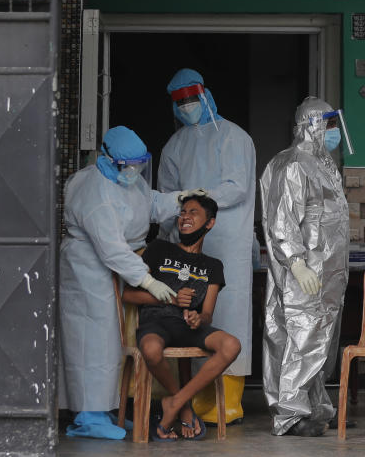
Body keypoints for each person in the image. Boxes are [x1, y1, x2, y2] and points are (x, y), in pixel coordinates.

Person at [59, 126, 195, 440]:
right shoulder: (94, 190)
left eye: (139, 164)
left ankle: (107, 408)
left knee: (112, 343)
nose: (134, 171)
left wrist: (181, 199)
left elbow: (149, 204)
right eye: (128, 166)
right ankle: (87, 416)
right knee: (91, 340)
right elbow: (112, 248)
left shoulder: (125, 179)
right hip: (87, 271)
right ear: (107, 158)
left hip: (112, 270)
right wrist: (147, 279)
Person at [158, 68, 256, 424]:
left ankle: (230, 400)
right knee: (194, 318)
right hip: (189, 250)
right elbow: (167, 198)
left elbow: (237, 188)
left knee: (228, 313)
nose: (186, 107)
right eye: (178, 102)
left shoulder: (234, 138)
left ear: (205, 96)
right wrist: (169, 238)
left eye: (190, 99)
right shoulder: (175, 145)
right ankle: (199, 398)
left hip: (228, 242)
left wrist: (196, 197)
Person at [259, 96, 352, 437]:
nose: (333, 132)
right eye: (327, 124)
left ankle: (314, 407)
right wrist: (296, 262)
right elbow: (281, 218)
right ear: (311, 125)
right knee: (298, 337)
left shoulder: (323, 163)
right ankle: (291, 413)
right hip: (305, 269)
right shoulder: (293, 163)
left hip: (326, 271)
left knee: (317, 340)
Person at [123, 193, 242, 441]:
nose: (185, 217)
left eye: (193, 212)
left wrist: (200, 319)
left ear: (210, 223)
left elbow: (207, 313)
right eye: (183, 213)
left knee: (231, 345)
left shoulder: (213, 266)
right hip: (156, 322)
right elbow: (129, 295)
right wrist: (170, 298)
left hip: (188, 327)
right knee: (151, 350)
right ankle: (184, 406)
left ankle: (174, 401)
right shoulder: (158, 249)